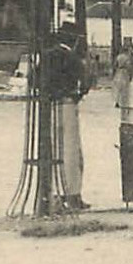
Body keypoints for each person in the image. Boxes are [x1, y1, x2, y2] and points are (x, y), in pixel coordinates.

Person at [44, 28, 90, 211]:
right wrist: (77, 95)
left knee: (54, 148)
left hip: (49, 107)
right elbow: (85, 81)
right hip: (68, 104)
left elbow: (33, 79)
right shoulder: (72, 58)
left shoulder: (46, 56)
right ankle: (72, 195)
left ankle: (54, 195)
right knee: (71, 151)